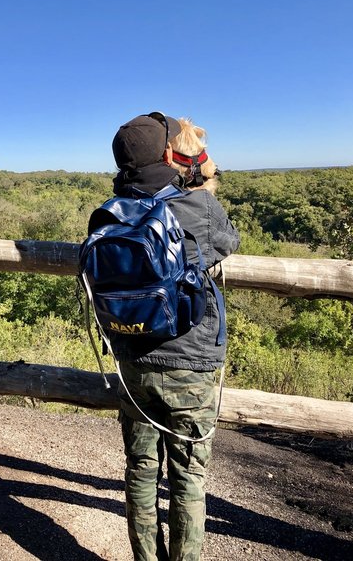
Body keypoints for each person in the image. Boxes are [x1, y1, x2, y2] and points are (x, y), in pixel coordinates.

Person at [106, 112, 240, 561]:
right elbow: (229, 240)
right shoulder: (197, 208)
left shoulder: (111, 212)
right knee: (188, 479)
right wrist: (201, 181)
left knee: (141, 470)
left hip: (131, 360)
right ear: (168, 155)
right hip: (190, 363)